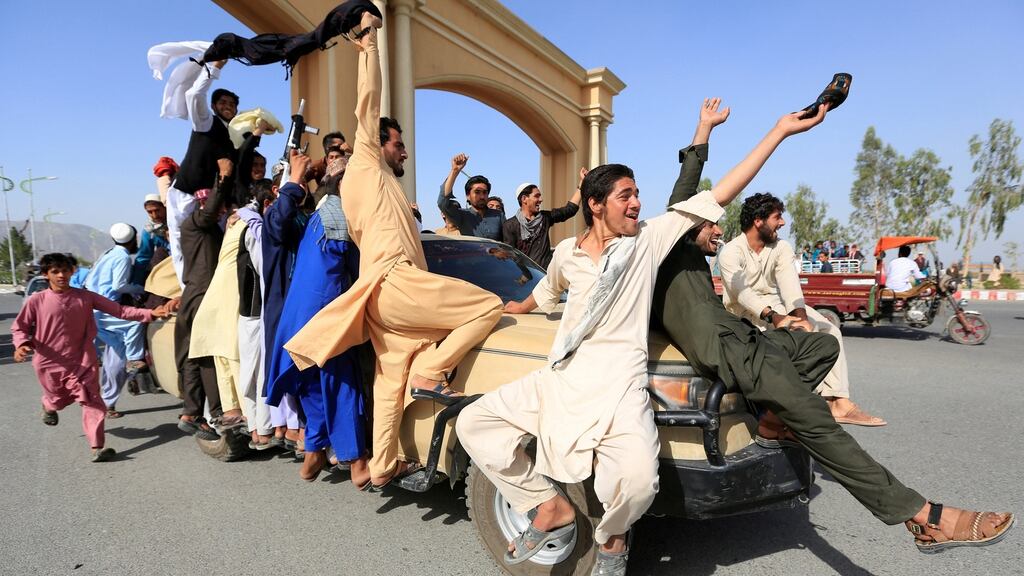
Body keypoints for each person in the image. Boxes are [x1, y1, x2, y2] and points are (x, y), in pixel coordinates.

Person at [653, 103, 1013, 558]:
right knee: (818, 421)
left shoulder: (696, 261)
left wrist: (705, 126)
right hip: (731, 352)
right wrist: (756, 132)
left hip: (750, 342)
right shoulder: (668, 247)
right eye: (710, 223)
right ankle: (925, 517)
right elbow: (686, 190)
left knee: (821, 344)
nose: (718, 229)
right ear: (687, 225)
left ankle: (770, 420)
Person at [457, 98, 736, 575]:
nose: (637, 202)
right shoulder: (565, 252)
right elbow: (546, 291)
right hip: (563, 379)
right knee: (474, 424)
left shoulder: (645, 242)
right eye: (626, 194)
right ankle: (549, 506)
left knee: (639, 482)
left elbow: (720, 192)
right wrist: (514, 307)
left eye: (638, 193)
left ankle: (612, 543)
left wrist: (770, 131)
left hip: (620, 388)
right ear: (596, 204)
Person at [284, 12, 503, 490]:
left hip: (384, 297)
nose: (405, 152)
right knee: (487, 304)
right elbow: (370, 102)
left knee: (389, 379)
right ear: (378, 144)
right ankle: (432, 372)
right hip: (395, 282)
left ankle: (382, 466)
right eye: (399, 145)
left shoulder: (386, 188)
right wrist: (368, 46)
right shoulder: (365, 159)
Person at [719, 193, 885, 426]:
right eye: (777, 217)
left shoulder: (781, 247)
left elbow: (790, 286)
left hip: (775, 305)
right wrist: (775, 318)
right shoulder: (731, 252)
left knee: (829, 331)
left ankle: (838, 402)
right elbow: (742, 293)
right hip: (743, 313)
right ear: (758, 221)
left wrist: (801, 318)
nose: (783, 223)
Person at [12, 253, 168, 462]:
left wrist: (150, 314)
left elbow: (119, 310)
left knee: (92, 400)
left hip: (83, 360)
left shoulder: (86, 297)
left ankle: (97, 447)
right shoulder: (36, 300)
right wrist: (21, 344)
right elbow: (20, 327)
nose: (61, 275)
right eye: (55, 271)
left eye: (65, 270)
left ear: (72, 271)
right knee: (59, 400)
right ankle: (49, 405)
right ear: (46, 274)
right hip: (50, 363)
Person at [268, 163, 369, 484]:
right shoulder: (345, 221)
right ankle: (356, 462)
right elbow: (364, 272)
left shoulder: (315, 217)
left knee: (310, 381)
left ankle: (313, 449)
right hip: (326, 315)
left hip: (296, 317)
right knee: (342, 383)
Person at [165, 59, 237, 285]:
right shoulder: (207, 123)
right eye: (222, 102)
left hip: (208, 202)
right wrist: (215, 67)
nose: (227, 106)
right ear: (214, 107)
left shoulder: (231, 136)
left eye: (232, 104)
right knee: (181, 242)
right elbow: (194, 96)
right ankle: (186, 287)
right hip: (185, 194)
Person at [175, 158, 233, 440]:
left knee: (196, 356)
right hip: (201, 297)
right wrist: (222, 177)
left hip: (199, 297)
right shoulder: (196, 223)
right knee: (206, 353)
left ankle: (192, 412)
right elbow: (209, 212)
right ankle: (218, 410)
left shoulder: (207, 228)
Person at [84, 223, 149, 417]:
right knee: (135, 323)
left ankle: (107, 403)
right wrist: (139, 289)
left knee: (115, 357)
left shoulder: (108, 253)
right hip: (106, 309)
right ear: (133, 239)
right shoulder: (121, 257)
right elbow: (119, 285)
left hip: (96, 310)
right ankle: (134, 362)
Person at [235, 179, 281, 449]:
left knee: (253, 372)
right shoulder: (254, 230)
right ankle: (261, 429)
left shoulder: (247, 223)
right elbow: (265, 270)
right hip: (255, 312)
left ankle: (257, 428)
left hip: (251, 312)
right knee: (258, 372)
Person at [501, 176, 583, 269]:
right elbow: (510, 257)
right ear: (524, 199)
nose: (541, 199)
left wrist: (581, 187)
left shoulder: (545, 218)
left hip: (545, 276)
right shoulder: (510, 225)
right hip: (524, 279)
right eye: (536, 196)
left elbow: (569, 210)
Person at [438, 153, 504, 239]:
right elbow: (442, 202)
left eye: (484, 192)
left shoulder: (498, 215)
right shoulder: (462, 215)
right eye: (477, 192)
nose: (482, 196)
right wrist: (455, 171)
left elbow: (506, 242)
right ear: (468, 196)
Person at [133, 194, 171, 285]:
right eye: (150, 212)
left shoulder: (177, 223)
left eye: (157, 210)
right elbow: (144, 256)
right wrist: (137, 284)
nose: (154, 215)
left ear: (165, 208)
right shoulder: (149, 231)